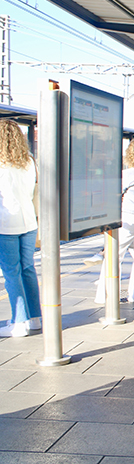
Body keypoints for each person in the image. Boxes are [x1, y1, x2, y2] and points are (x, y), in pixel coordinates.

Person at [95, 139, 134, 306]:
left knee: (113, 256)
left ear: (129, 155)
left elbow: (114, 195)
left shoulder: (128, 174)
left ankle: (105, 295)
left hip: (129, 220)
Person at [0, 120, 41, 337]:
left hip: (6, 224)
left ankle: (18, 323)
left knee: (11, 273)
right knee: (27, 269)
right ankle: (34, 319)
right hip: (29, 223)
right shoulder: (30, 161)